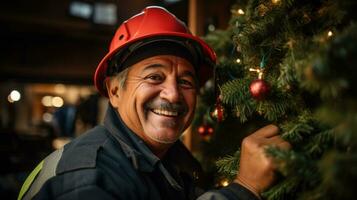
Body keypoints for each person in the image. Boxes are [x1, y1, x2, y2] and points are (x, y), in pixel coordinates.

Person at [18, 6, 290, 200]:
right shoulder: (88, 179)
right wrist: (243, 188)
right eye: (154, 76)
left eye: (185, 82)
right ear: (114, 91)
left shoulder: (171, 161)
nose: (172, 95)